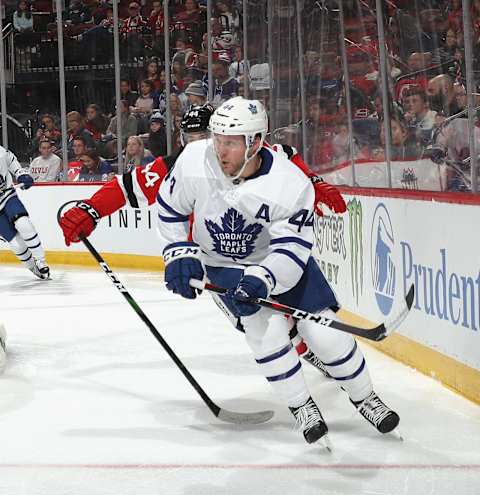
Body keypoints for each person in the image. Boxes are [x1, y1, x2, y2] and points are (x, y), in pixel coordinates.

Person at [155, 97, 400, 444]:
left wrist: (264, 277)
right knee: (265, 333)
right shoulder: (195, 160)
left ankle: (365, 398)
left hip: (281, 264)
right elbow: (170, 209)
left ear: (254, 142)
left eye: (230, 142)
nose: (219, 149)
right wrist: (179, 252)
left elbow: (292, 248)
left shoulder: (289, 183)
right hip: (224, 264)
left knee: (325, 336)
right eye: (217, 139)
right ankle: (302, 407)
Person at [58, 103, 342, 379]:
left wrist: (314, 181)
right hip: (219, 259)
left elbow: (287, 155)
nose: (201, 144)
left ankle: (322, 352)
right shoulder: (183, 165)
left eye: (204, 136)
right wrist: (91, 209)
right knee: (261, 322)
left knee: (302, 311)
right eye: (191, 137)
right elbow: (126, 187)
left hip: (268, 252)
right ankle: (305, 352)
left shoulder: (257, 154)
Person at [0, 145, 50, 280]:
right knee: (16, 244)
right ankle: (33, 267)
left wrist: (21, 174)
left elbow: (11, 161)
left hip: (7, 197)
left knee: (23, 223)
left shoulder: (0, 151)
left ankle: (40, 260)